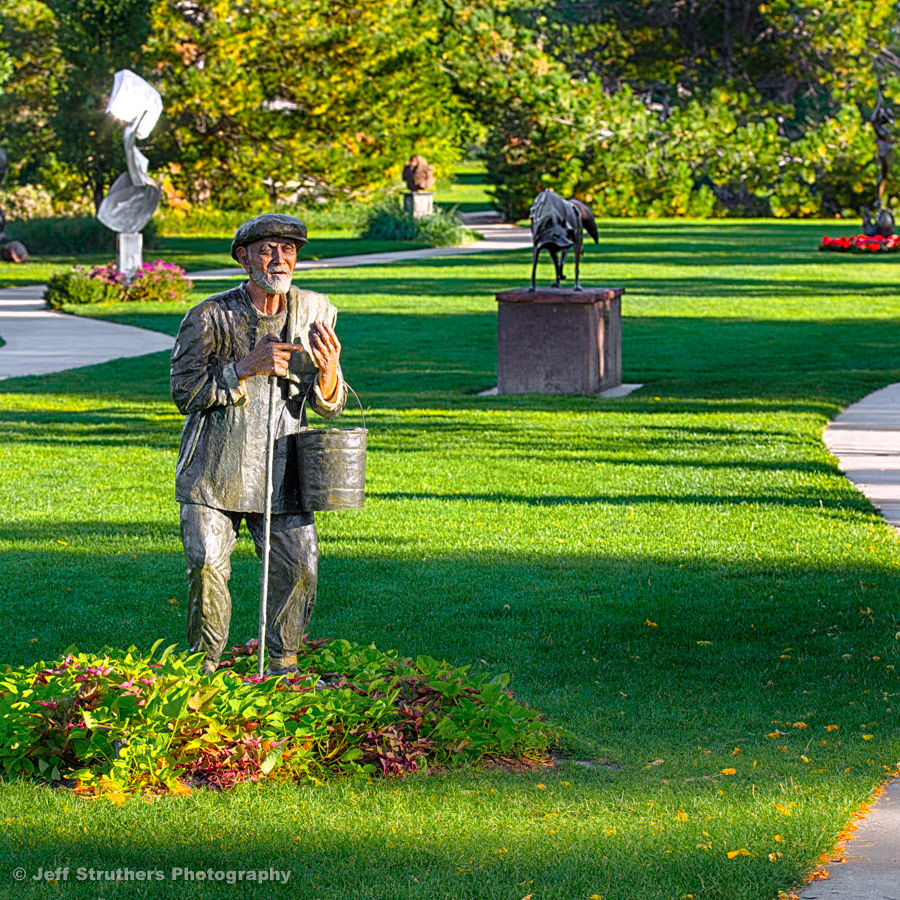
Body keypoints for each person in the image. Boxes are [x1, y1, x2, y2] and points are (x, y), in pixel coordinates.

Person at [170, 213, 346, 675]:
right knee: (206, 567)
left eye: (288, 250)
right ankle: (204, 670)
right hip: (214, 472)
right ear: (243, 257)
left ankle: (284, 664)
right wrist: (243, 367)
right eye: (268, 249)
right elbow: (185, 393)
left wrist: (328, 375)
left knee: (301, 567)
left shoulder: (315, 312)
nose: (280, 258)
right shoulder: (207, 317)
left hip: (282, 468)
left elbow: (330, 405)